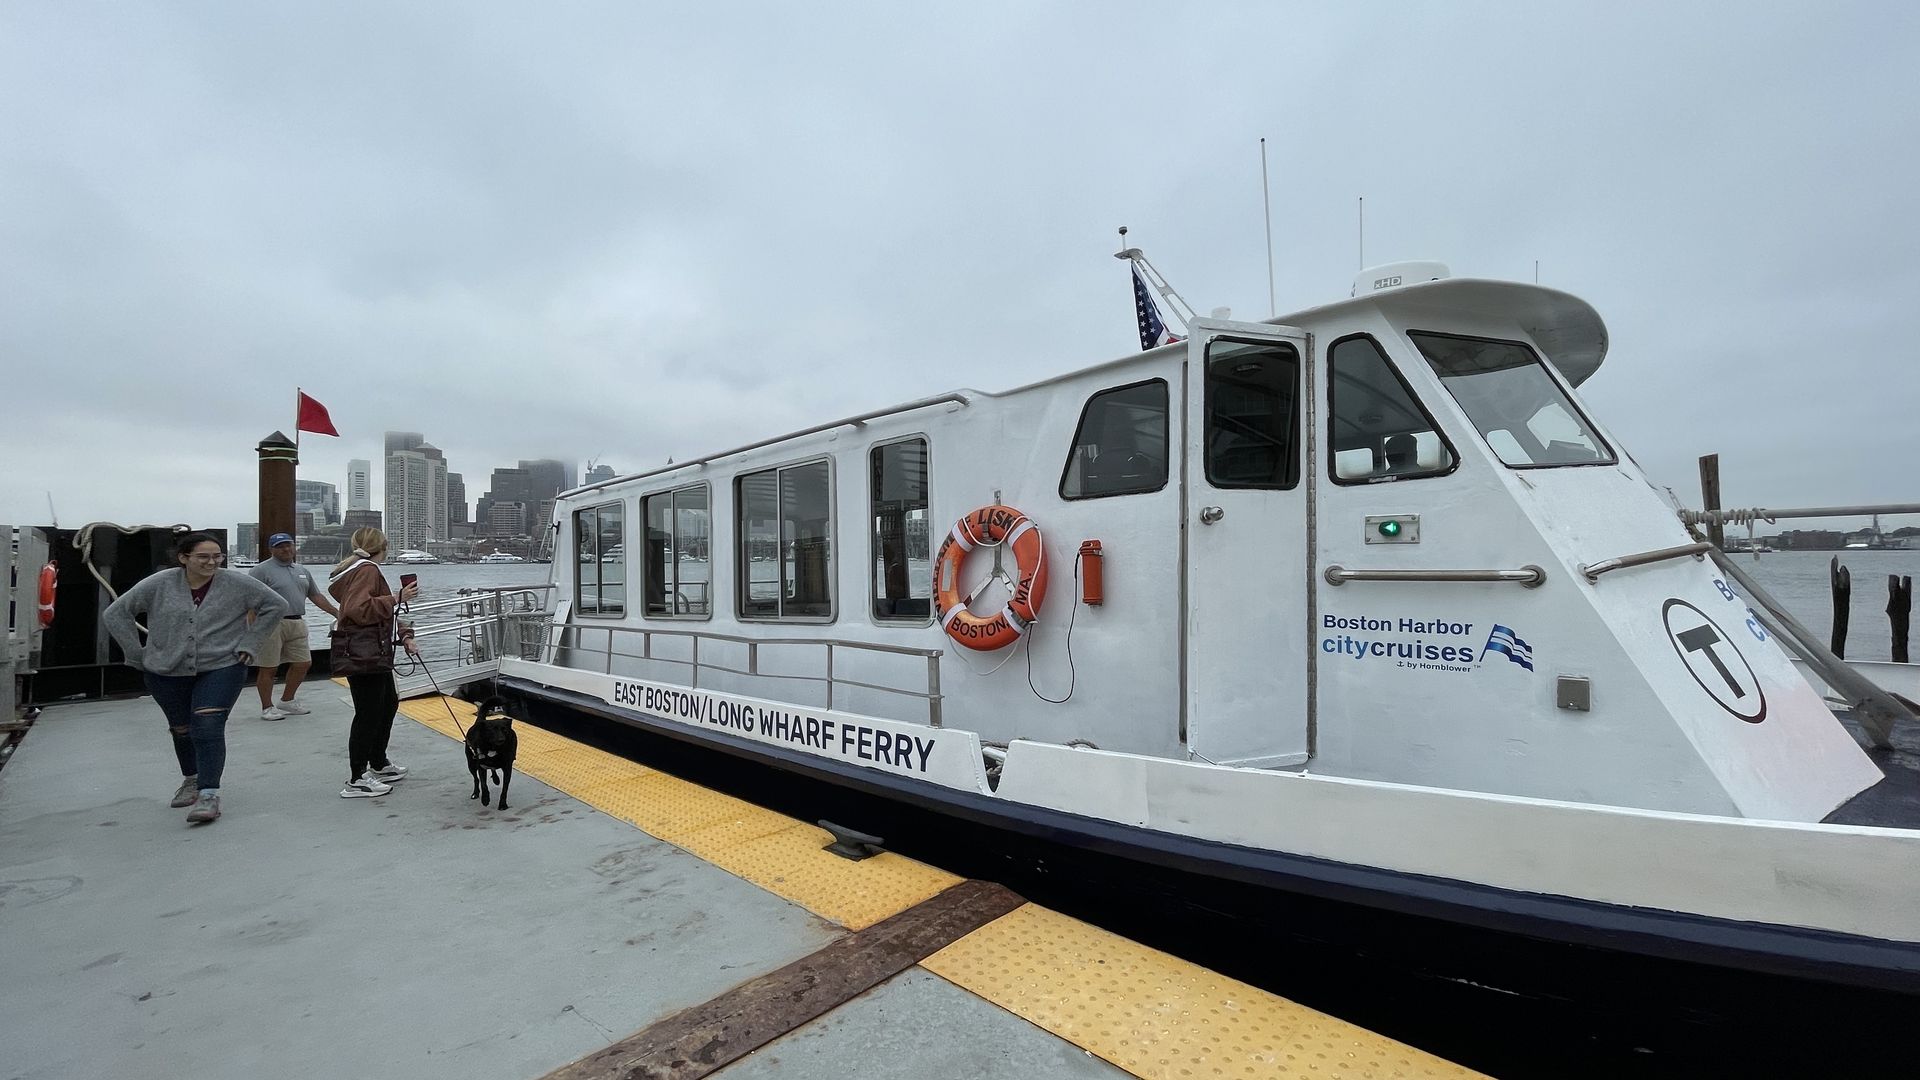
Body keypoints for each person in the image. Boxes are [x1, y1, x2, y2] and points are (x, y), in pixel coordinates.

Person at [103, 532, 289, 824]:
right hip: (166, 670)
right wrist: (135, 653)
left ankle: (208, 793)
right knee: (181, 728)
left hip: (223, 665)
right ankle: (191, 779)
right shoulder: (159, 584)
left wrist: (250, 643)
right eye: (203, 557)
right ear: (183, 558)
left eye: (217, 556)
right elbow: (116, 613)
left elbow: (275, 605)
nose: (212, 562)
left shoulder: (237, 583)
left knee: (207, 724)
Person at [327, 527, 420, 798]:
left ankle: (378, 762)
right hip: (365, 653)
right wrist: (397, 598)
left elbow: (370, 610)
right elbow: (359, 609)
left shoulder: (355, 568)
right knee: (368, 713)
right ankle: (357, 777)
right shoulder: (367, 570)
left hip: (370, 652)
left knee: (387, 703)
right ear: (384, 547)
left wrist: (405, 635)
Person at [248, 533, 340, 720]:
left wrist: (337, 613)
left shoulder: (302, 570)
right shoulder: (260, 571)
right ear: (271, 549)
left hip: (297, 622)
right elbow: (249, 602)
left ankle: (287, 700)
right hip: (270, 623)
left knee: (303, 663)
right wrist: (252, 629)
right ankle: (267, 707)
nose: (286, 549)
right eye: (280, 546)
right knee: (269, 667)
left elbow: (315, 596)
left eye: (288, 545)